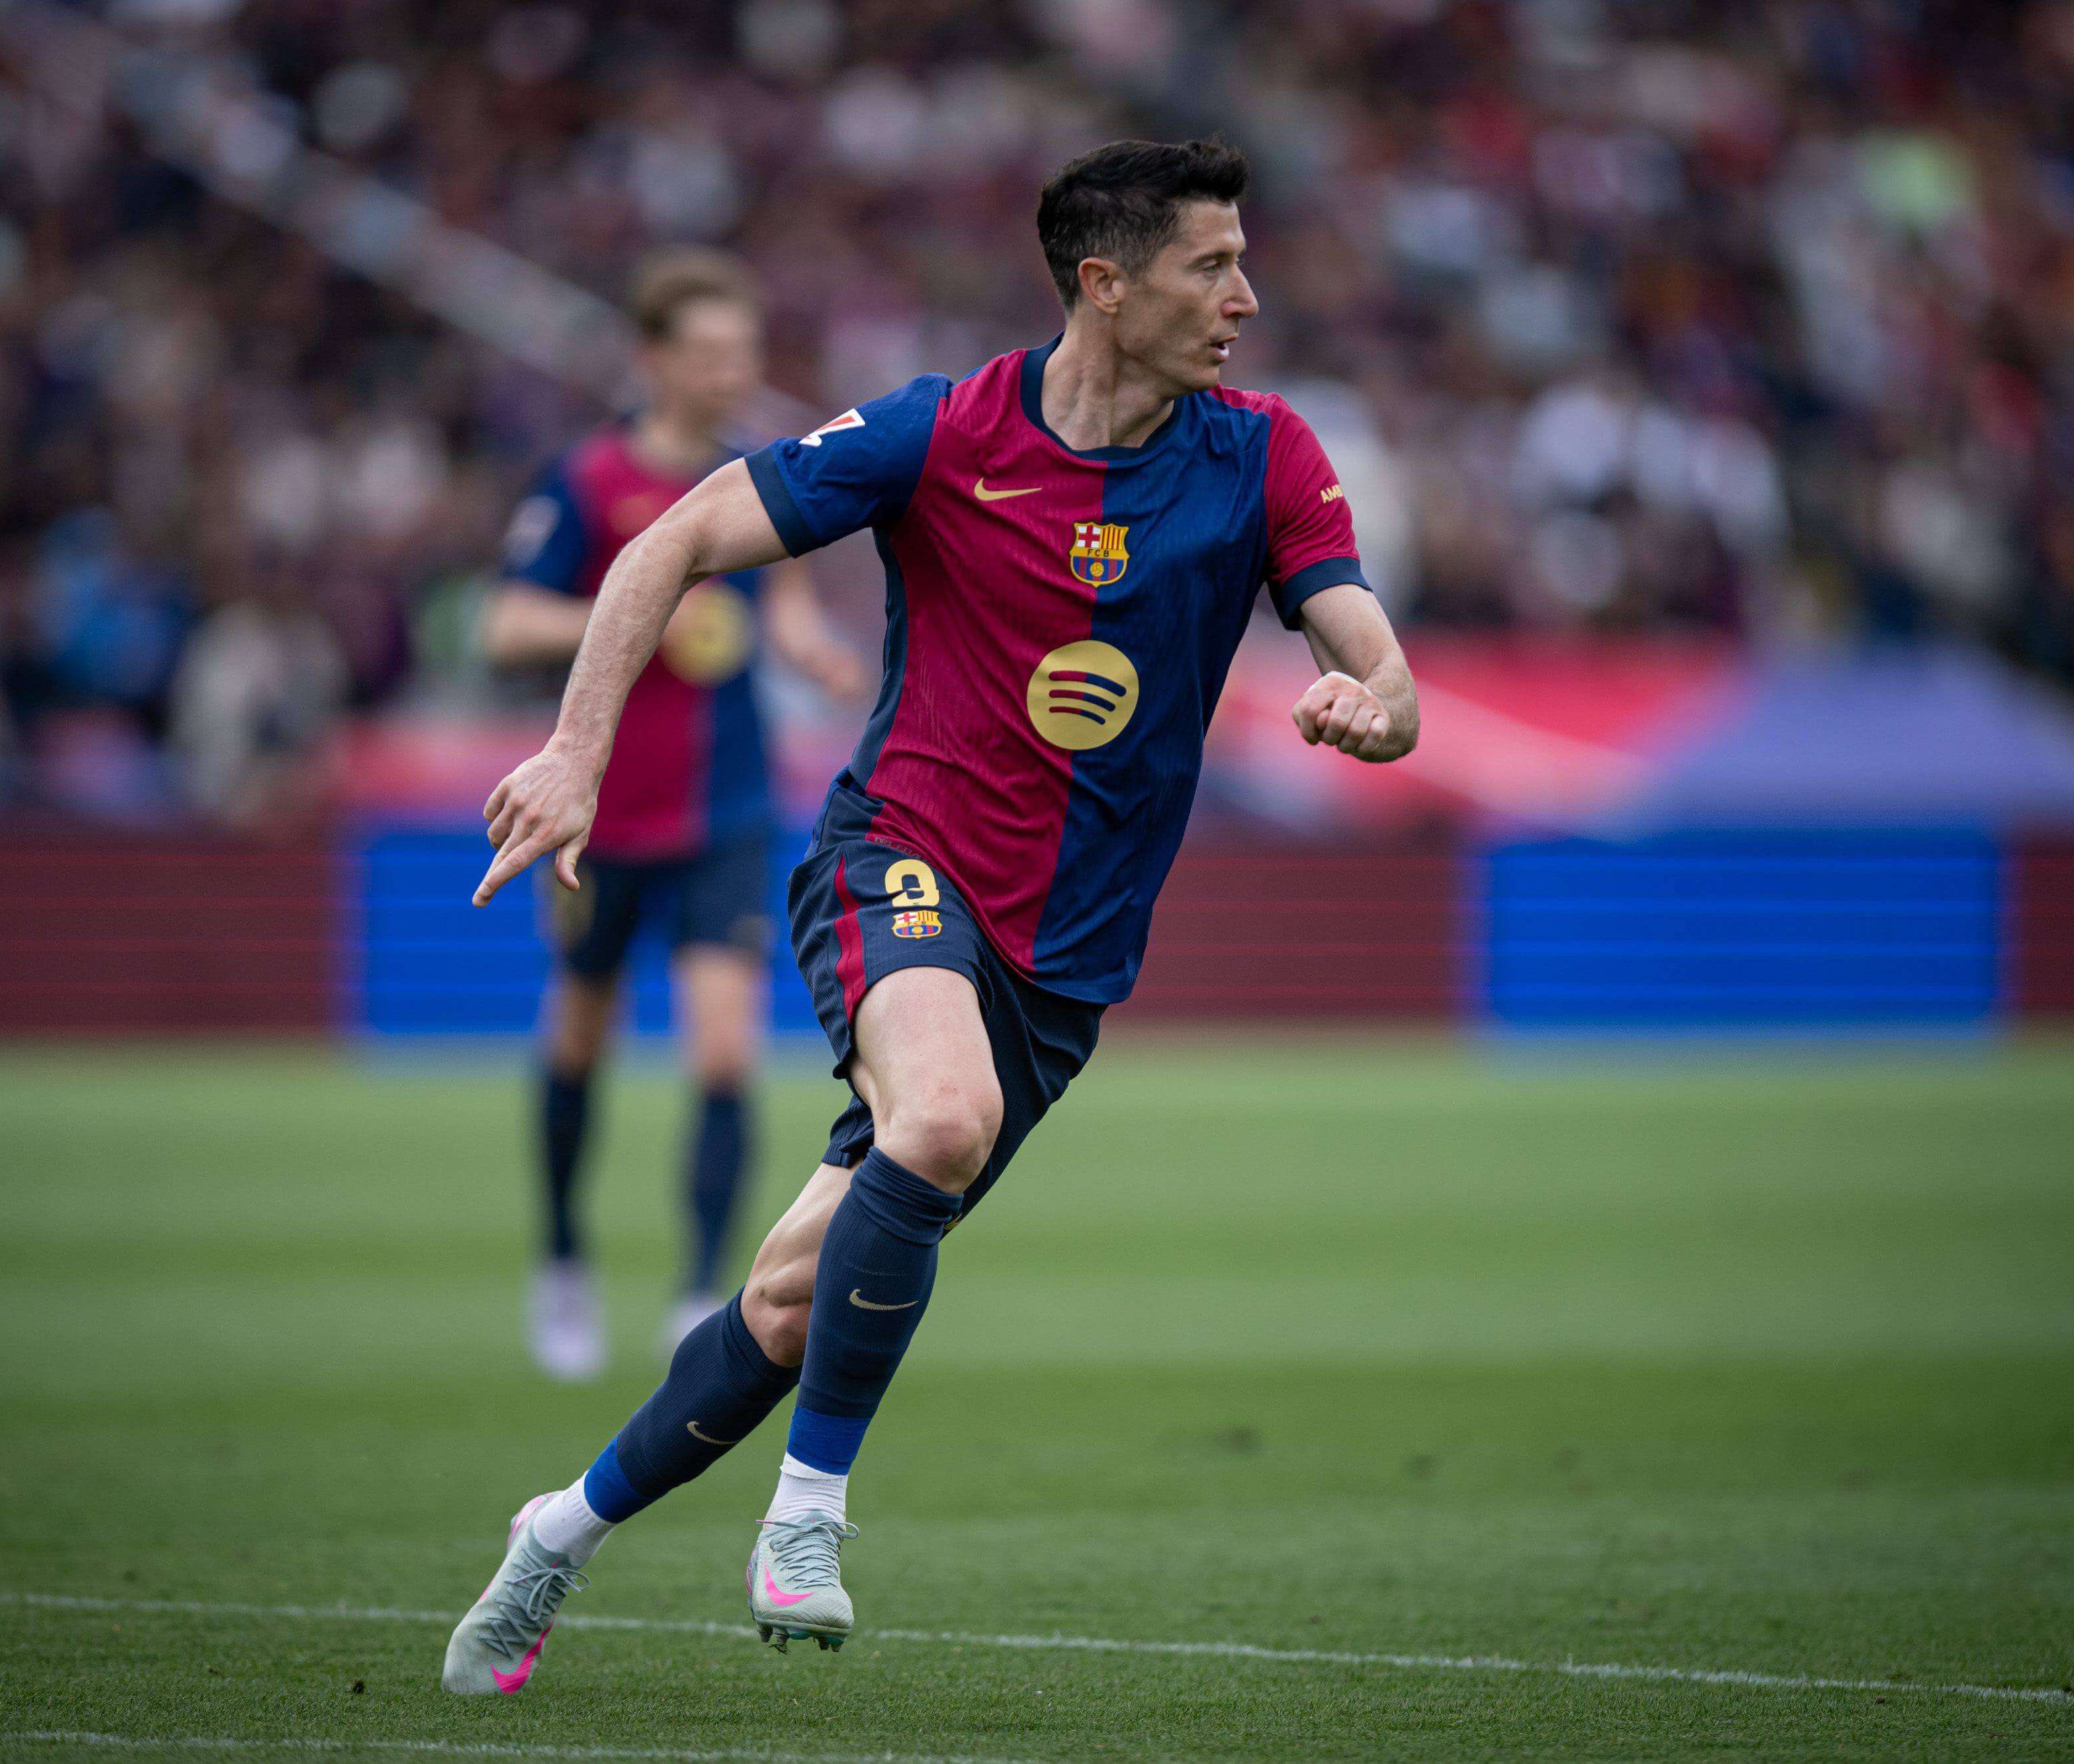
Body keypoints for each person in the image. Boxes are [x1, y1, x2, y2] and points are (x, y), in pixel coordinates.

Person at [444, 140, 1418, 1695]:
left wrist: (1375, 702)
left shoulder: (1262, 453)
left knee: (782, 1297)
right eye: (1209, 265)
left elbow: (1374, 650)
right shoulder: (944, 430)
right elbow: (675, 536)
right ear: (1104, 283)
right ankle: (810, 1516)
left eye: (1242, 262)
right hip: (894, 852)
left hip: (1064, 959)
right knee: (942, 1115)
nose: (1245, 296)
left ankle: (556, 1529)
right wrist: (574, 745)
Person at [485, 251, 866, 1378]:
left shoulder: (752, 479)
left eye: (742, 353)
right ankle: (560, 1262)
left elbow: (781, 606)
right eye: (709, 353)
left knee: (723, 1050)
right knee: (581, 1039)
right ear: (653, 360)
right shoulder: (589, 480)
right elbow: (507, 624)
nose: (731, 372)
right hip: (602, 820)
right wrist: (646, 618)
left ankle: (699, 1291)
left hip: (727, 814)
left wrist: (810, 650)